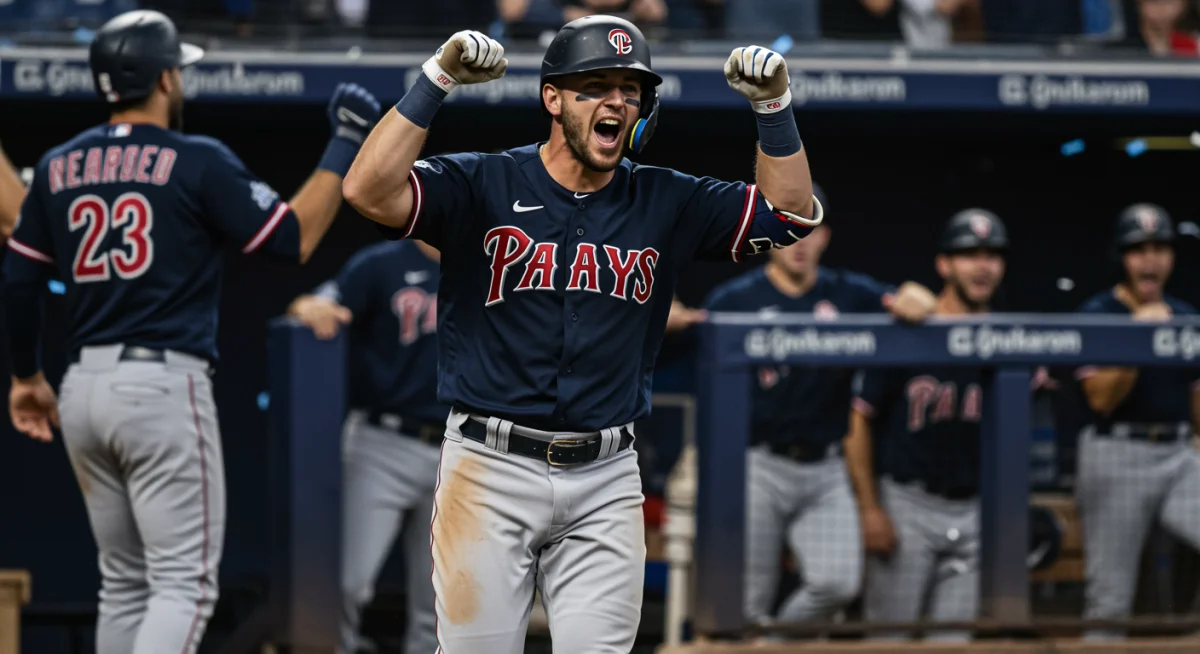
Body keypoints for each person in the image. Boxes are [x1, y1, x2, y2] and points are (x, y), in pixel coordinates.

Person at [342, 14, 824, 653]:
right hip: (489, 464)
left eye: (630, 90)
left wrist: (773, 106)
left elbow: (788, 214)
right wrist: (437, 79)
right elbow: (367, 189)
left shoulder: (665, 198)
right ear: (553, 98)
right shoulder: (485, 181)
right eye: (595, 86)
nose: (616, 102)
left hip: (605, 473)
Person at [2, 10, 381, 654]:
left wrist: (25, 375)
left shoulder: (62, 164)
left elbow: (17, 280)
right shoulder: (196, 158)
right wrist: (345, 141)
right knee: (185, 586)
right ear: (167, 79)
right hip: (159, 386)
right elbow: (295, 238)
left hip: (82, 386)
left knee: (123, 583)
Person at [701, 183, 937, 637]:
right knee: (746, 599)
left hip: (825, 469)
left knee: (837, 583)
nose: (798, 242)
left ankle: (769, 644)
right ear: (766, 231)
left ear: (825, 236)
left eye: (809, 229)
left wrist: (913, 299)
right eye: (786, 228)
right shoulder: (734, 300)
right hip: (758, 464)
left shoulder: (848, 294)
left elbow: (914, 298)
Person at [844, 209, 1008, 642]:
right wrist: (870, 508)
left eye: (992, 255)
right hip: (907, 506)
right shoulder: (911, 333)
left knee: (953, 643)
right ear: (944, 264)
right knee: (887, 640)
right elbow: (858, 419)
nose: (982, 266)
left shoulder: (1007, 342)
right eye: (969, 254)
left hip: (974, 511)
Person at [286, 238, 444, 654]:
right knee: (347, 584)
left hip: (458, 449)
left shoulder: (487, 263)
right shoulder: (381, 262)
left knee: (441, 602)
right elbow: (315, 304)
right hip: (383, 442)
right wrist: (310, 306)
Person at [1073, 203, 1200, 640]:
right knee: (1109, 604)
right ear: (1122, 258)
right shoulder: (1098, 313)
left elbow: (1197, 400)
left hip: (1177, 456)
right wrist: (1138, 337)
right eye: (1139, 249)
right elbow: (1101, 399)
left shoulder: (1185, 315)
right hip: (1116, 456)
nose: (1150, 259)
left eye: (1160, 248)